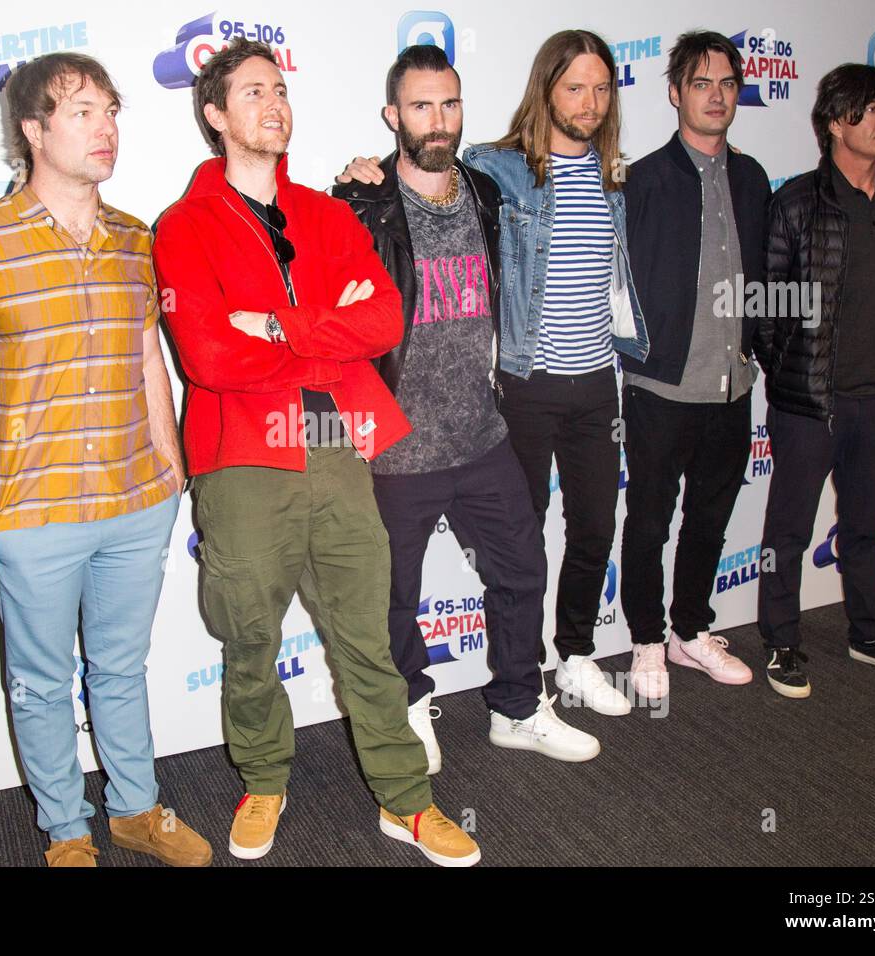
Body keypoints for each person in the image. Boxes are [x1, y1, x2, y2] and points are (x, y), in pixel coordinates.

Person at [154, 38, 479, 866]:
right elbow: (208, 359)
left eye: (279, 89)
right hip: (241, 455)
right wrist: (323, 338)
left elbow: (384, 323)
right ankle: (264, 778)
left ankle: (405, 801)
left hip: (335, 441)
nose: (273, 102)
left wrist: (272, 324)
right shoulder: (184, 227)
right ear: (216, 115)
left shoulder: (331, 214)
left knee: (366, 637)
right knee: (250, 640)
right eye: (252, 91)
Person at [0, 53, 210, 867]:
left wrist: (170, 472)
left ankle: (134, 808)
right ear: (33, 129)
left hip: (136, 501)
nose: (107, 128)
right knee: (42, 684)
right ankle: (65, 831)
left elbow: (148, 359)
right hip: (33, 514)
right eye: (82, 111)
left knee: (122, 669)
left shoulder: (135, 239)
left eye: (112, 110)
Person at [332, 44, 602, 772]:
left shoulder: (486, 190)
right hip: (397, 448)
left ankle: (518, 706)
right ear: (393, 115)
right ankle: (410, 707)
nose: (438, 119)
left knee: (520, 573)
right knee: (395, 599)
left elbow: (558, 155)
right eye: (421, 105)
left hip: (483, 434)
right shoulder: (359, 202)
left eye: (449, 103)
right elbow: (329, 324)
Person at [461, 30, 648, 709]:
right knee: (522, 537)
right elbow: (429, 184)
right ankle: (523, 674)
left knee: (597, 526)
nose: (590, 101)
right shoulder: (497, 170)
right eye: (575, 87)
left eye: (601, 88)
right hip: (527, 385)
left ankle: (577, 656)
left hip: (600, 384)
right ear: (546, 90)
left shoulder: (615, 175)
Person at [754, 63, 875, 698]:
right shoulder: (797, 202)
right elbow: (767, 309)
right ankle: (780, 639)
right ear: (836, 123)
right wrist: (792, 379)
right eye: (870, 110)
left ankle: (870, 631)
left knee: (864, 522)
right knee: (788, 530)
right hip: (809, 405)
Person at [619, 31, 770, 699]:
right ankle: (646, 641)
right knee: (649, 520)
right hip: (659, 388)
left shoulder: (752, 176)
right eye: (701, 83)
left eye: (727, 84)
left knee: (709, 517)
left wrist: (756, 351)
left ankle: (688, 632)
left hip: (731, 387)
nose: (716, 96)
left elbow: (763, 275)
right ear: (676, 92)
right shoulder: (642, 179)